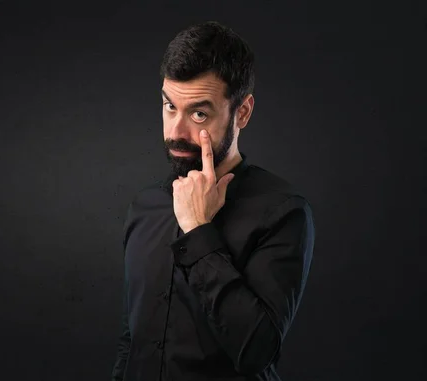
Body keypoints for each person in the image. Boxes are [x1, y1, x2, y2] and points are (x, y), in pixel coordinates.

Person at [110, 21, 315, 381]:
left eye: (199, 114)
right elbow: (134, 337)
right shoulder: (146, 206)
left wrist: (198, 230)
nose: (176, 131)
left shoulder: (283, 212)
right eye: (169, 106)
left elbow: (256, 353)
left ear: (243, 112)